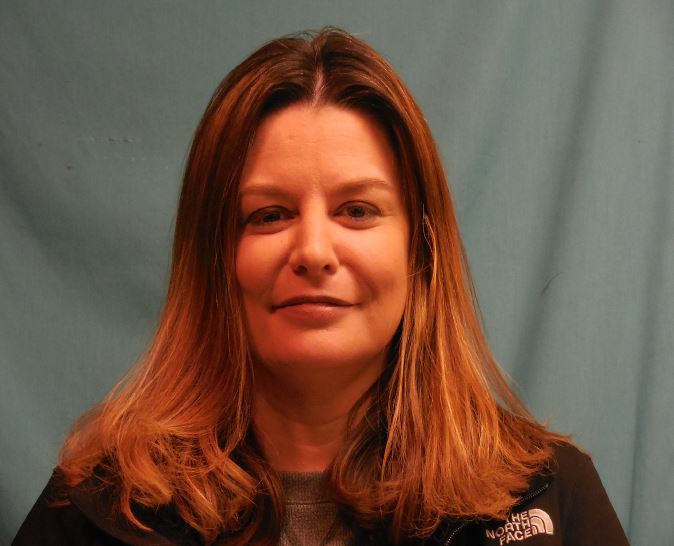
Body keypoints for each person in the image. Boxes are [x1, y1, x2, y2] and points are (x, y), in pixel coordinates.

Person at [13, 26, 629, 546]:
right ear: (215, 259)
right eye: (269, 215)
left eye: (357, 210)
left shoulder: (553, 499)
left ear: (420, 251)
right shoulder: (93, 512)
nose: (312, 251)